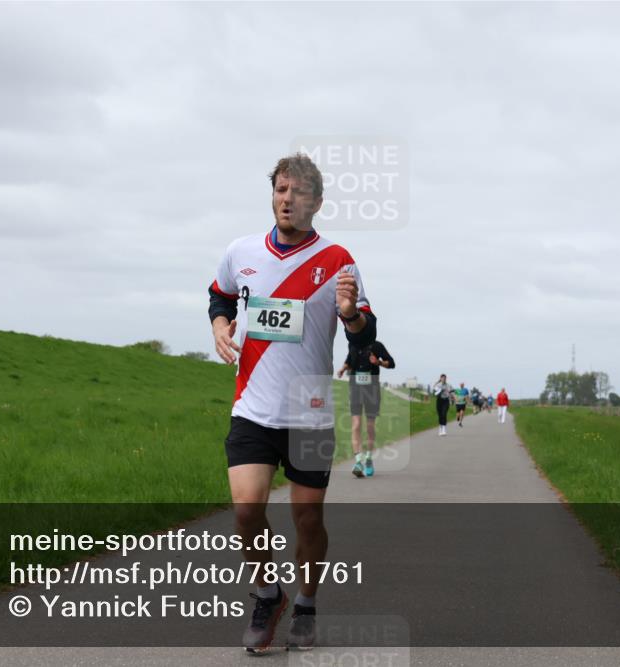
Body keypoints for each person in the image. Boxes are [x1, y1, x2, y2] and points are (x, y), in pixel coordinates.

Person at [208, 153, 376, 653]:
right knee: (245, 510)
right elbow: (219, 295)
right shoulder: (241, 252)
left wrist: (350, 315)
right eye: (281, 189)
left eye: (298, 191)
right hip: (252, 409)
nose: (287, 199)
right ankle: (267, 595)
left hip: (309, 412)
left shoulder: (338, 260)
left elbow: (365, 333)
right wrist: (220, 327)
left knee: (307, 520)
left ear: (317, 202)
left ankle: (305, 604)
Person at [337, 340, 395, 478]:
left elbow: (391, 363)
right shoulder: (353, 344)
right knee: (356, 424)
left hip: (372, 389)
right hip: (355, 388)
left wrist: (378, 363)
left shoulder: (377, 346)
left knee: (369, 427)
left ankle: (368, 459)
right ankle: (358, 462)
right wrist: (343, 368)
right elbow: (349, 360)